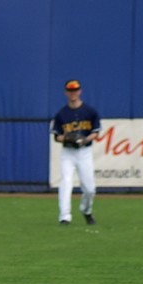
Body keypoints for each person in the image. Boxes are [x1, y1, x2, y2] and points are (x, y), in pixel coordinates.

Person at [51, 79, 101, 226]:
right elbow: (57, 136)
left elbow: (95, 132)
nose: (73, 93)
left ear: (80, 91)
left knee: (90, 189)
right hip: (68, 153)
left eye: (75, 90)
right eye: (70, 90)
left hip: (84, 152)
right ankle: (64, 217)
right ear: (66, 92)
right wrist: (67, 138)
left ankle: (86, 210)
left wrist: (84, 139)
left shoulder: (90, 111)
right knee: (66, 182)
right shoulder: (61, 114)